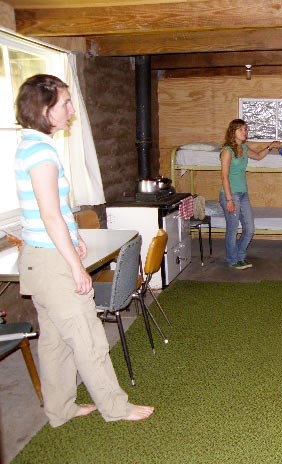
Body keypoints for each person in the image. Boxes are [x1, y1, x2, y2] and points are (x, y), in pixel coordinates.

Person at [14, 74, 154, 426]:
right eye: (65, 103)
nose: (72, 110)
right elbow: (49, 213)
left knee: (55, 342)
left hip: (39, 259)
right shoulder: (42, 152)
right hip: (52, 263)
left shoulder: (29, 145)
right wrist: (76, 266)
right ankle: (117, 408)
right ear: (45, 109)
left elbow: (54, 212)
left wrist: (74, 235)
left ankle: (60, 410)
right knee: (88, 338)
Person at [220, 119, 280, 269]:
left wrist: (270, 147)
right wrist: (229, 199)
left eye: (246, 130)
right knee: (232, 230)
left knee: (250, 229)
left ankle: (240, 256)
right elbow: (224, 176)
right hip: (230, 194)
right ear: (233, 132)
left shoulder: (244, 148)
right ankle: (233, 260)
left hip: (243, 193)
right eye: (241, 130)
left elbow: (259, 156)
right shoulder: (227, 151)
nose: (245, 132)